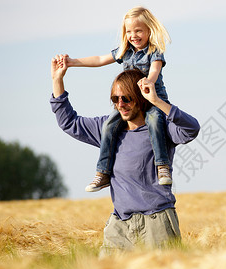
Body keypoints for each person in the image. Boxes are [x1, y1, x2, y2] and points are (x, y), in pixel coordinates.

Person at [50, 55, 200, 254]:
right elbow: (69, 123)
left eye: (126, 98)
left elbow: (192, 128)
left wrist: (156, 101)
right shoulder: (107, 131)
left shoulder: (161, 129)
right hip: (119, 225)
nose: (120, 104)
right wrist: (57, 80)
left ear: (140, 98)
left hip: (157, 222)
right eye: (115, 99)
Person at [64, 6, 172, 191]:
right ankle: (103, 173)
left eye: (138, 30)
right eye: (129, 31)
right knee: (108, 126)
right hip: (130, 102)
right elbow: (99, 59)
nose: (133, 35)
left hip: (152, 100)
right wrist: (73, 62)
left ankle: (162, 166)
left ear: (148, 30)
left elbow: (155, 69)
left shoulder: (154, 51)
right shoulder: (125, 51)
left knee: (154, 122)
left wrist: (148, 82)